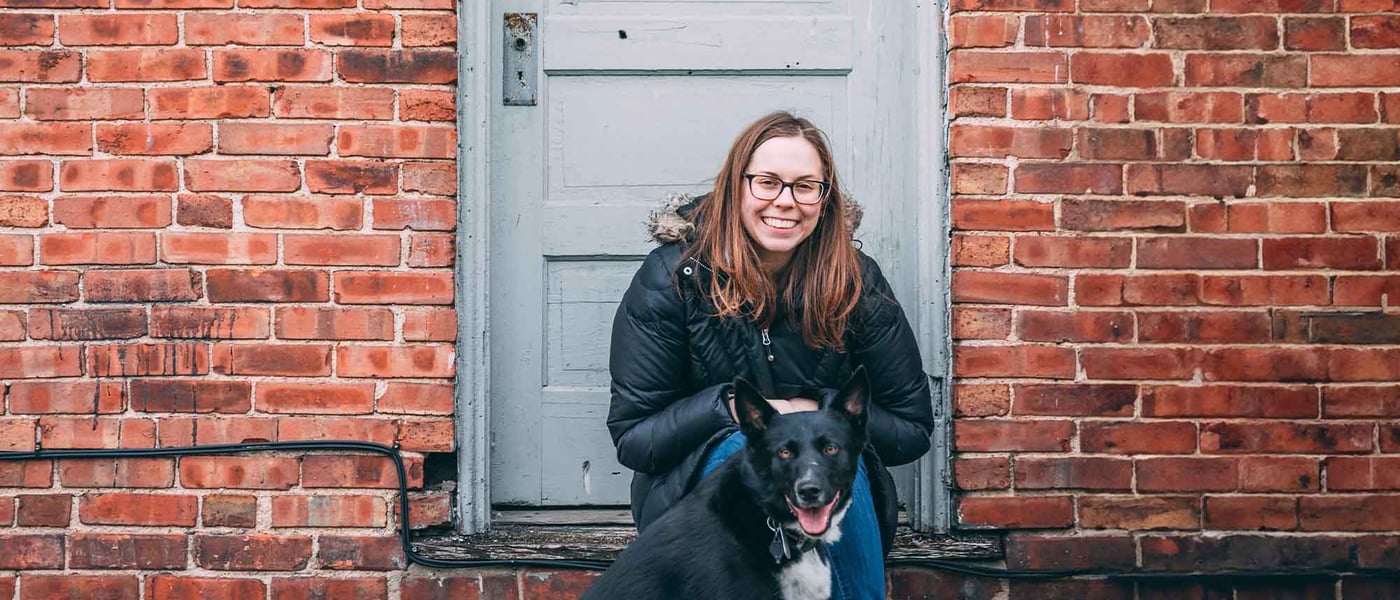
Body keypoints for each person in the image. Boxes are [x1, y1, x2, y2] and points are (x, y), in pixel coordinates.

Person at [607, 111, 934, 599]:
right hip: (702, 500)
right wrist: (732, 408)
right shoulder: (674, 278)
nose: (785, 201)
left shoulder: (856, 282)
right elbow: (635, 436)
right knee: (743, 449)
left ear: (825, 201)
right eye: (767, 182)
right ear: (736, 187)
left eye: (806, 187)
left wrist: (824, 414)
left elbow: (911, 430)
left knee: (832, 452)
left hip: (837, 504)